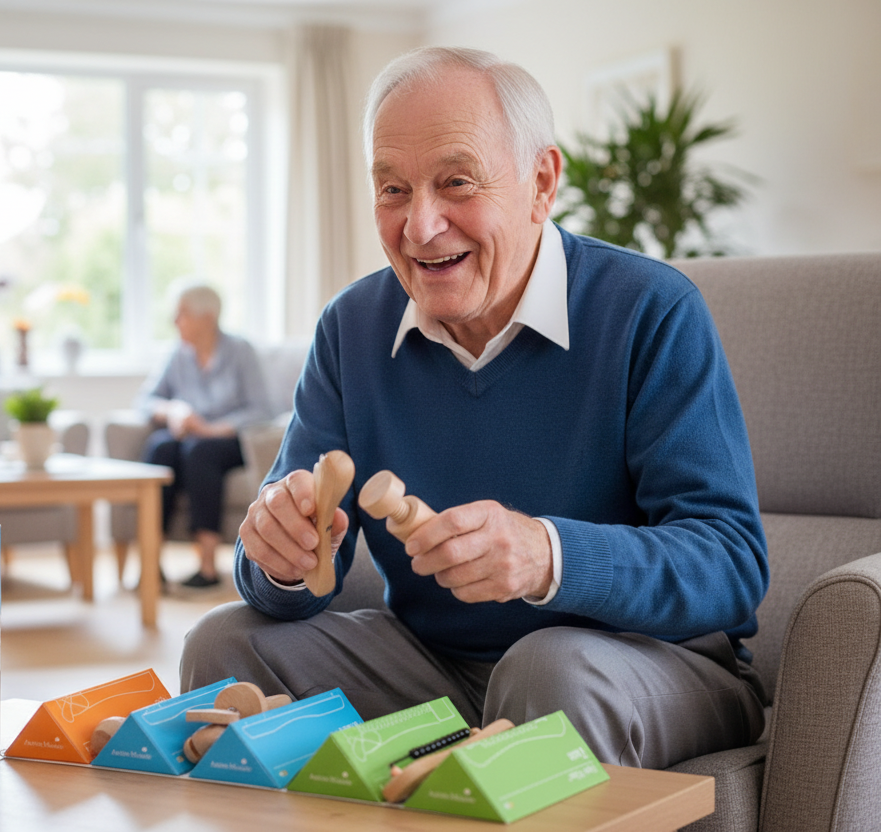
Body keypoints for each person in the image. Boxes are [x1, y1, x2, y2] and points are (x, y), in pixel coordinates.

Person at [180, 46, 769, 770]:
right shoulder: (352, 327)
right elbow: (285, 563)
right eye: (392, 190)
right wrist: (279, 558)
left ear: (541, 182)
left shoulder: (651, 309)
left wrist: (547, 555)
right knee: (223, 643)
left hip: (646, 665)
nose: (420, 226)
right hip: (433, 666)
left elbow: (731, 562)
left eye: (456, 182)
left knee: (547, 670)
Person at [137, 283, 272, 589]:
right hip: (189, 438)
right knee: (160, 448)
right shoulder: (177, 354)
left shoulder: (240, 351)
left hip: (231, 440)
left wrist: (212, 429)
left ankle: (207, 568)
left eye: (182, 314)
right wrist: (172, 410)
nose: (175, 321)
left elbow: (262, 409)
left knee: (200, 452)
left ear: (208, 317)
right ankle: (151, 565)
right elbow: (145, 402)